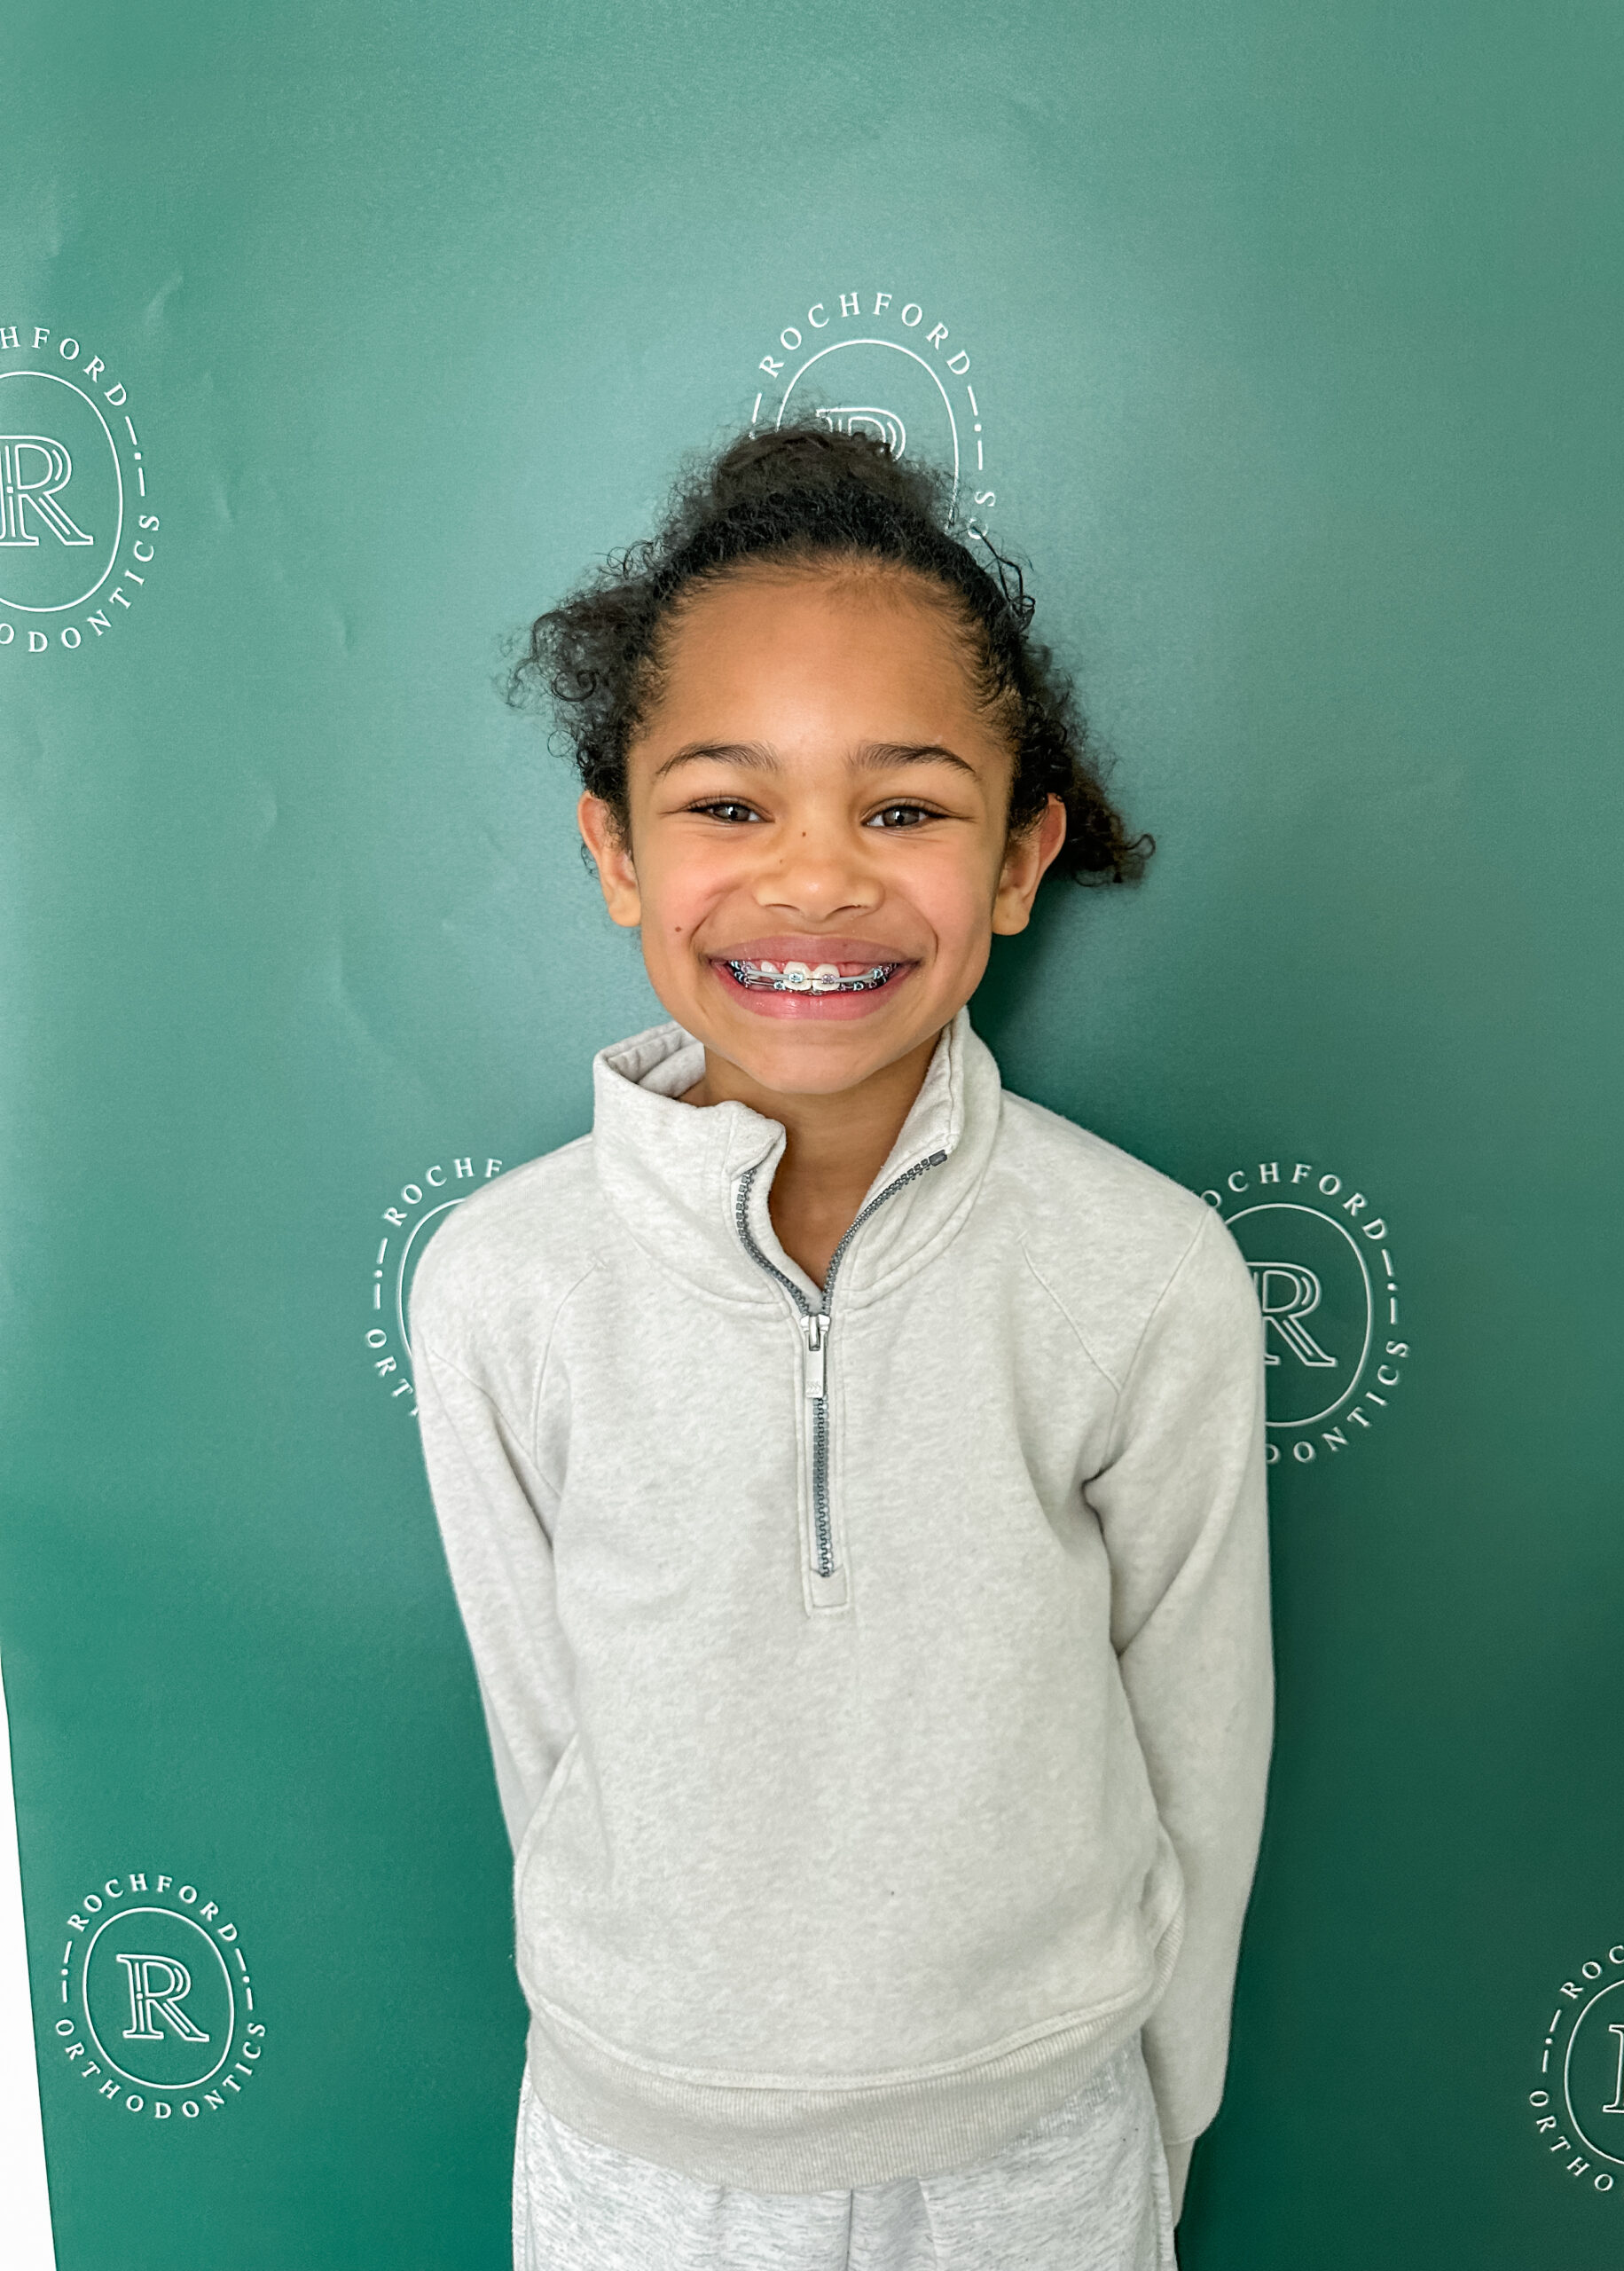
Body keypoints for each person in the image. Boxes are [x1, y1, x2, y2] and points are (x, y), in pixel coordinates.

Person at [408, 422, 1274, 2271]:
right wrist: (651, 2047)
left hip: (1041, 2155)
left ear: (1021, 851)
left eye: (903, 806)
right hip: (641, 2171)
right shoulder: (503, 1283)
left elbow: (1204, 1746)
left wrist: (1147, 2130)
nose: (814, 881)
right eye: (730, 803)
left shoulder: (1144, 1269)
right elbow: (544, 1739)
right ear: (615, 849)